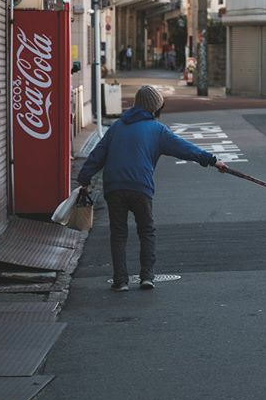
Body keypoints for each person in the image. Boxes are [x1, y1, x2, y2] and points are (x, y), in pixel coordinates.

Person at [77, 86, 228, 292]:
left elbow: (97, 155)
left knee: (118, 233)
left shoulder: (117, 126)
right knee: (146, 230)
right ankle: (147, 276)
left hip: (114, 186)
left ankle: (120, 280)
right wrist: (212, 160)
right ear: (155, 107)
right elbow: (184, 148)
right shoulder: (157, 130)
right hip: (140, 186)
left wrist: (84, 178)